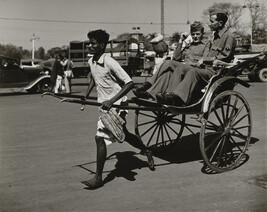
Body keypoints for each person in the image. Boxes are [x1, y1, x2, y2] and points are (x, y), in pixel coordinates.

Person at [81, 29, 154, 189]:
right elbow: (94, 79)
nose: (89, 46)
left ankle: (98, 178)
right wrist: (86, 96)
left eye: (93, 43)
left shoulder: (110, 62)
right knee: (125, 135)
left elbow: (129, 83)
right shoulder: (91, 61)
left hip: (118, 104)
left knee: (99, 138)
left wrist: (112, 100)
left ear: (101, 45)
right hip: (105, 105)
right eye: (89, 43)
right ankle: (147, 150)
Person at [159, 9, 236, 106]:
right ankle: (169, 96)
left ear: (220, 23)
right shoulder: (215, 36)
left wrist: (204, 59)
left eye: (212, 21)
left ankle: (179, 97)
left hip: (215, 71)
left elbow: (224, 56)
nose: (209, 24)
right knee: (180, 68)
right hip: (206, 68)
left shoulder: (228, 37)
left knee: (193, 71)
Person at [133, 21, 210, 100]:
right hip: (184, 70)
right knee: (168, 72)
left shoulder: (206, 44)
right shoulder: (188, 45)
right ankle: (151, 93)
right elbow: (176, 57)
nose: (195, 36)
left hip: (194, 71)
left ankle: (149, 84)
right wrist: (181, 41)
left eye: (197, 34)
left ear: (202, 34)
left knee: (168, 63)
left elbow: (203, 61)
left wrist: (189, 64)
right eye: (193, 34)